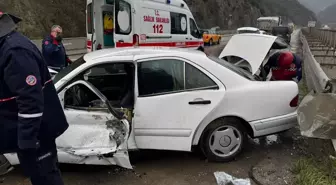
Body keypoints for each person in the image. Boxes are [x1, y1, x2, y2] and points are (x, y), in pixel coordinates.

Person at [0, 12, 69, 185]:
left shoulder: (14, 51)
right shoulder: (6, 46)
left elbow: (30, 102)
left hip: (37, 136)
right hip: (27, 134)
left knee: (45, 178)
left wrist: (26, 143)